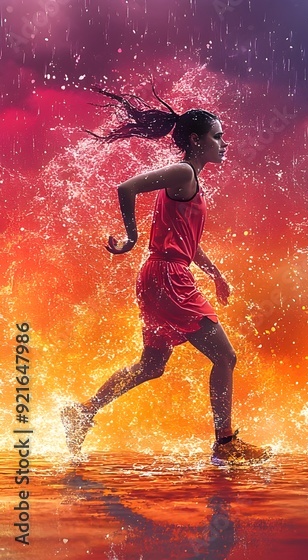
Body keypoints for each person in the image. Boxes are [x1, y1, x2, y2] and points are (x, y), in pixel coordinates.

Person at [61, 88, 271, 466]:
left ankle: (83, 412)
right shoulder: (183, 171)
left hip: (160, 275)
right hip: (167, 278)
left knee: (151, 366)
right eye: (217, 137)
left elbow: (188, 243)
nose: (224, 143)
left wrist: (217, 275)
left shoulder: (190, 179)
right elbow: (126, 187)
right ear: (196, 140)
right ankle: (225, 445)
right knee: (225, 357)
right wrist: (131, 237)